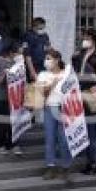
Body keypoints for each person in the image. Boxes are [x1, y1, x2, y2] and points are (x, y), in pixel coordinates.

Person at [72, 28, 96, 175]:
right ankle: (95, 162)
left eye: (86, 37)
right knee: (91, 132)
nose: (84, 39)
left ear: (93, 39)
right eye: (83, 37)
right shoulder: (81, 55)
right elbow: (76, 72)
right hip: (84, 93)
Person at [37, 49, 73, 183]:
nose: (46, 61)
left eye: (49, 58)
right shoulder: (43, 75)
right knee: (50, 139)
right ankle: (50, 166)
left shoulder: (67, 73)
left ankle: (66, 167)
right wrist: (53, 83)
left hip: (65, 108)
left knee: (64, 140)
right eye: (46, 58)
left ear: (57, 60)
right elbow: (41, 92)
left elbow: (73, 90)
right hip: (50, 108)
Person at [0, 41, 24, 156]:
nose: (20, 56)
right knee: (3, 122)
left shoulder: (20, 63)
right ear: (11, 53)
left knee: (15, 122)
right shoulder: (1, 61)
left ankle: (13, 144)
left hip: (15, 97)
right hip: (3, 97)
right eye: (18, 54)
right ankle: (0, 144)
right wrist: (7, 73)